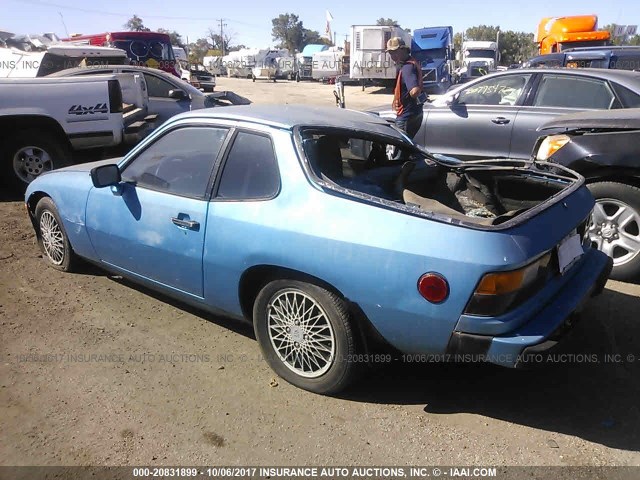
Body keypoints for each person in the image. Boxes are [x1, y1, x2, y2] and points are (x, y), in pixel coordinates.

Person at [386, 37, 424, 139]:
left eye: (394, 52)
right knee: (407, 150)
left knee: (400, 152)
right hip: (415, 113)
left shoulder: (407, 67)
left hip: (406, 116)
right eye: (390, 53)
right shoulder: (412, 62)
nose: (392, 55)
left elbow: (414, 91)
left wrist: (416, 90)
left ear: (403, 49)